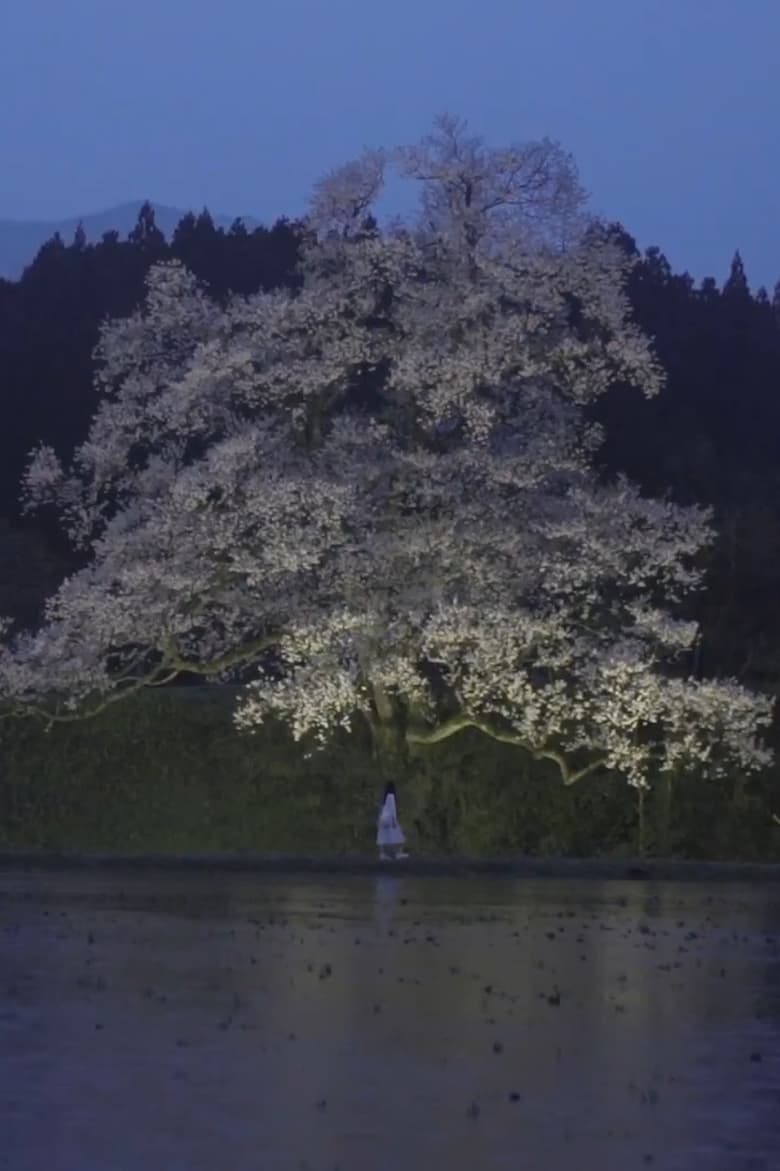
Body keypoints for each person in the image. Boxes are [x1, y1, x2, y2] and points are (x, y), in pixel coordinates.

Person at [376, 782, 408, 860]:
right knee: (399, 836)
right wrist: (394, 820)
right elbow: (391, 808)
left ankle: (382, 854)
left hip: (383, 818)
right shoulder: (391, 796)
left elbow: (382, 808)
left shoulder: (384, 798)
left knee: (382, 836)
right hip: (389, 818)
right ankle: (398, 853)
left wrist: (379, 818)